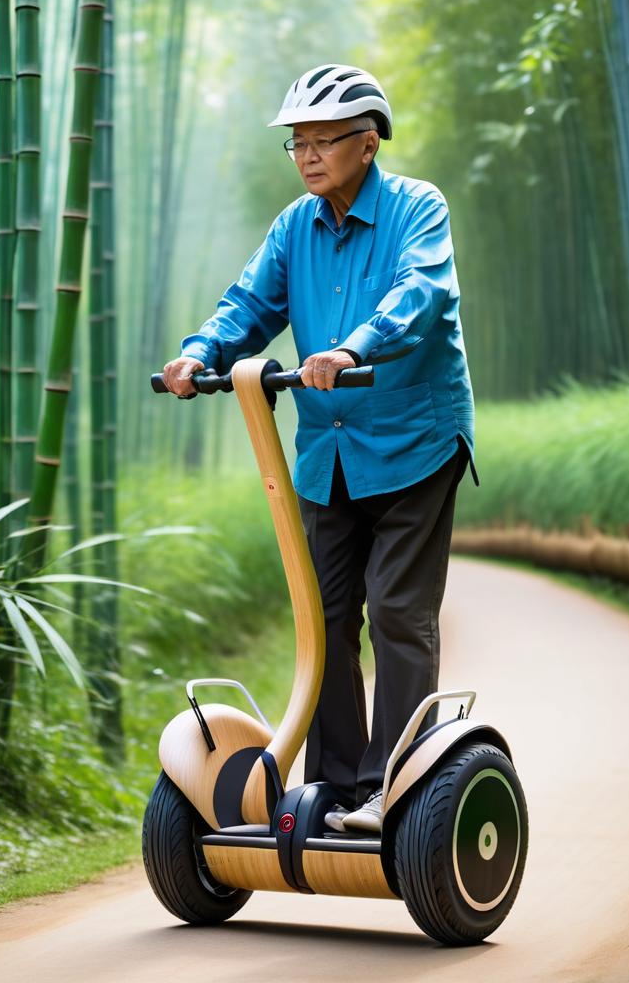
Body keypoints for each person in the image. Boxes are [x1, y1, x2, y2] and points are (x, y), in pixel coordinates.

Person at [160, 63, 479, 834]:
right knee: (325, 614)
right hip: (327, 452)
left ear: (366, 145)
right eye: (296, 143)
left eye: (321, 141)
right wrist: (200, 353)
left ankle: (392, 787)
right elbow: (251, 304)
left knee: (398, 610)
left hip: (414, 442)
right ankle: (336, 788)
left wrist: (353, 346)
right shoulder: (293, 226)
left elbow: (421, 291)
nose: (305, 155)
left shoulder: (416, 209)